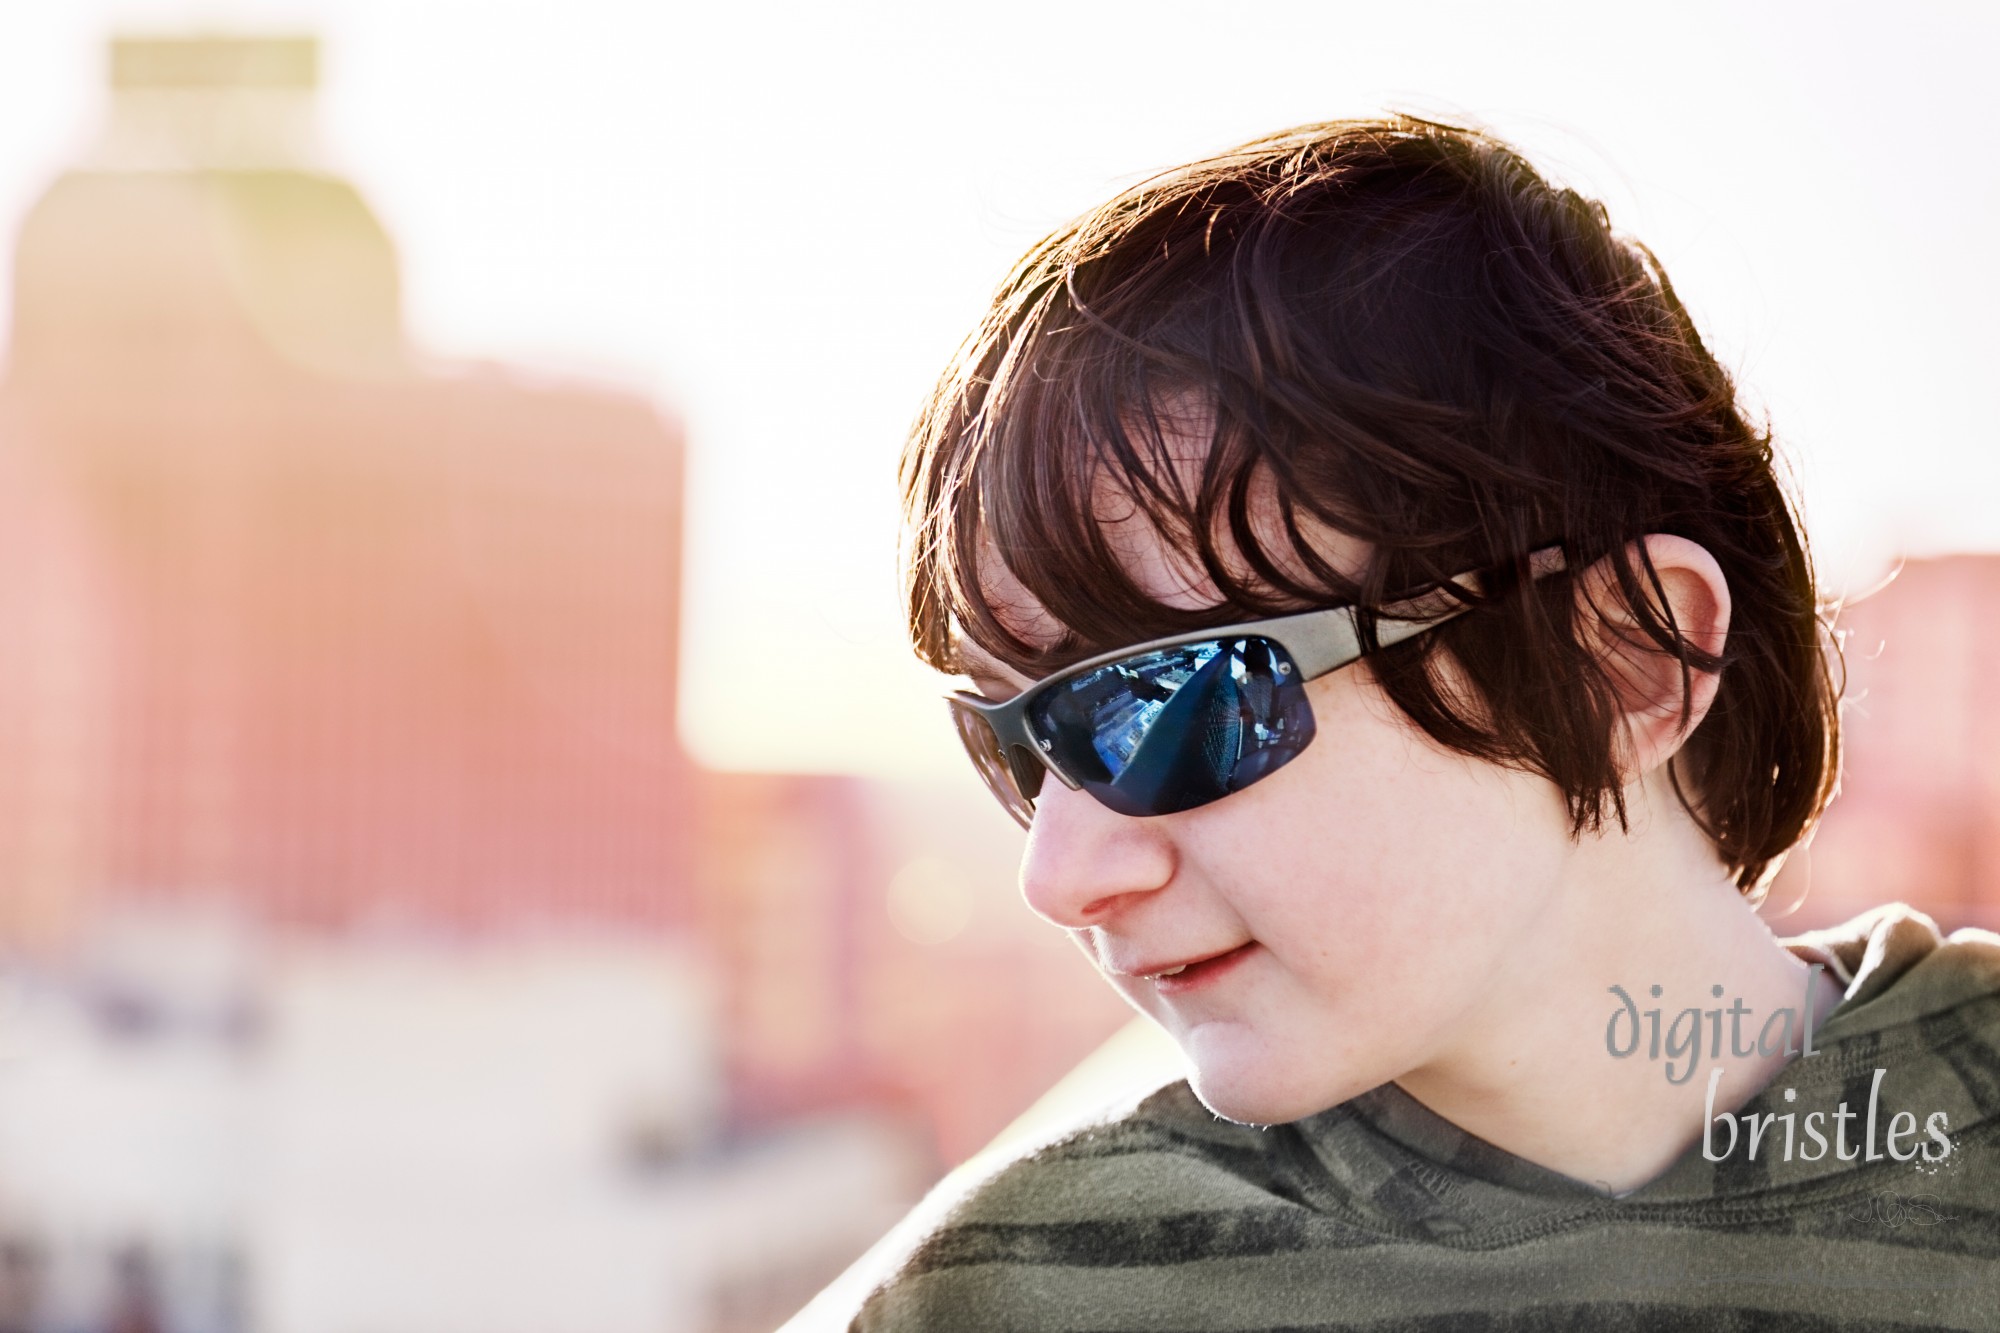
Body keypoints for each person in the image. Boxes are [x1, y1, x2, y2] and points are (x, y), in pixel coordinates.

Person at [854, 116, 2000, 1329]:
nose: (1057, 873)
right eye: (1018, 741)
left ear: (1618, 658)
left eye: (1171, 700)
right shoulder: (1017, 1297)